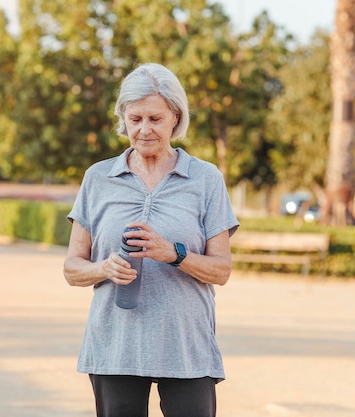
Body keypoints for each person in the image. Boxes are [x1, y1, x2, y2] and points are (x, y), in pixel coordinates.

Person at [63, 63, 239, 417]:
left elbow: (221, 270)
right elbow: (72, 268)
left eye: (155, 119)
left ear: (175, 117)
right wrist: (102, 268)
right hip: (115, 348)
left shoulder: (205, 179)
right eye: (135, 119)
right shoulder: (98, 178)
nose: (144, 129)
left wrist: (172, 253)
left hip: (187, 347)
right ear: (123, 119)